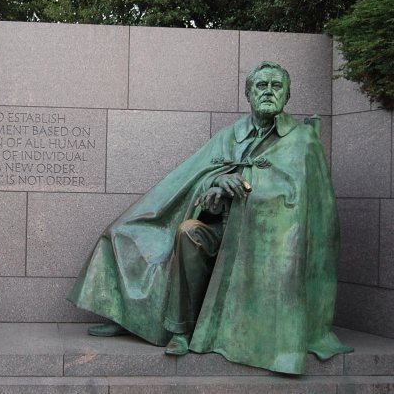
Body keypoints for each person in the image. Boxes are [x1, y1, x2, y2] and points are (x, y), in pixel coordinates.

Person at [67, 61, 352, 374]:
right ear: (248, 93)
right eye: (261, 85)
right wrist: (216, 184)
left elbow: (303, 203)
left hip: (262, 243)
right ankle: (167, 326)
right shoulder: (231, 135)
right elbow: (198, 176)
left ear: (287, 94)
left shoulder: (302, 140)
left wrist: (247, 184)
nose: (268, 91)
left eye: (276, 86)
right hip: (219, 227)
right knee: (162, 232)